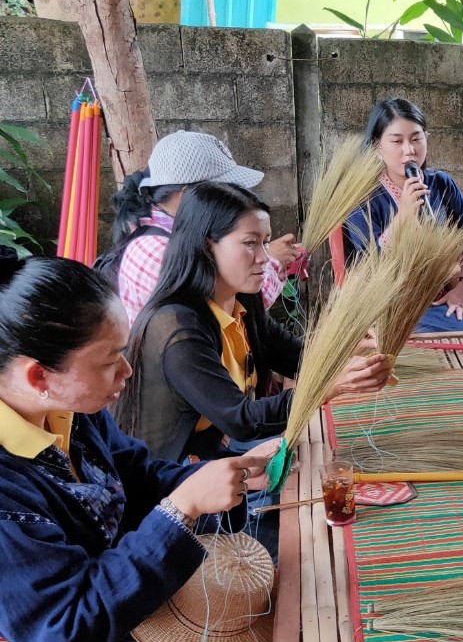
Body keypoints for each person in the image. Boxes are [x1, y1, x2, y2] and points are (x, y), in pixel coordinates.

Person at [0, 250, 274, 642]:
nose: (127, 372)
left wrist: (239, 472)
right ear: (37, 376)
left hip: (117, 608)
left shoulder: (71, 410)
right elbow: (67, 623)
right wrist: (181, 510)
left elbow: (142, 476)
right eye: (110, 360)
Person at [115, 181, 392, 463]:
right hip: (169, 477)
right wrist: (328, 387)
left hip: (213, 456)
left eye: (265, 242)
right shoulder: (176, 327)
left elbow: (297, 357)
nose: (265, 257)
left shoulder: (242, 302)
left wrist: (346, 346)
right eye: (250, 243)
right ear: (207, 245)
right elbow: (241, 420)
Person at [110, 130, 303, 325]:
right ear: (187, 196)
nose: (236, 200)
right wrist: (273, 262)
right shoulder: (157, 253)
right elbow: (229, 315)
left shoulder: (176, 231)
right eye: (225, 193)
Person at [343, 98, 463, 334]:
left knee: (460, 324)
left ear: (426, 139)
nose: (409, 150)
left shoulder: (441, 183)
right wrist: (403, 216)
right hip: (388, 304)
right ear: (377, 145)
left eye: (416, 139)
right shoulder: (362, 198)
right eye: (397, 141)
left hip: (442, 295)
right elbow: (370, 263)